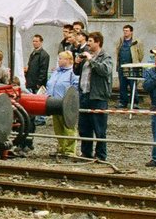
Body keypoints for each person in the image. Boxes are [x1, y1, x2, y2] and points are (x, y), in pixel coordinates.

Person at [77, 31, 113, 162]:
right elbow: (78, 73)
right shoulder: (88, 56)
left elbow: (104, 70)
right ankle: (86, 153)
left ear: (98, 42)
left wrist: (91, 60)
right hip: (85, 95)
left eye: (90, 41)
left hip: (98, 97)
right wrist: (77, 63)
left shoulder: (106, 56)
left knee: (99, 128)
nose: (88, 44)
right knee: (84, 127)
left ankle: (101, 155)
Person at [47, 51, 78, 157]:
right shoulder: (56, 72)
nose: (58, 60)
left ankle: (69, 150)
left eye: (61, 58)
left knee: (68, 127)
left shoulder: (72, 73)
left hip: (66, 104)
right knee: (58, 127)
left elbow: (75, 88)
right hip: (54, 103)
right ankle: (61, 147)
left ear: (68, 60)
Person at [114, 24, 145, 109]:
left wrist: (136, 62)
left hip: (132, 67)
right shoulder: (120, 41)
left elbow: (141, 54)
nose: (125, 32)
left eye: (127, 31)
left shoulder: (136, 42)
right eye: (124, 31)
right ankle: (123, 102)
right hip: (122, 66)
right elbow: (117, 52)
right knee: (122, 85)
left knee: (133, 84)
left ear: (131, 32)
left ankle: (135, 102)